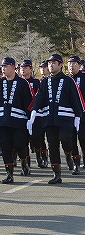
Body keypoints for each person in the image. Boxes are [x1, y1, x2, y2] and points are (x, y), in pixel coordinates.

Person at [29, 54, 83, 184]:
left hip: (65, 118)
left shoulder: (69, 80)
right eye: (49, 63)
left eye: (54, 63)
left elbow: (76, 98)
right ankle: (57, 174)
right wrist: (34, 110)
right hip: (49, 119)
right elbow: (40, 97)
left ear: (60, 65)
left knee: (66, 140)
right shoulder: (45, 81)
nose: (51, 65)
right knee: (52, 146)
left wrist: (78, 115)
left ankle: (69, 153)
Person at [0, 57, 33, 183]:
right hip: (1, 122)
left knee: (20, 145)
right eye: (2, 66)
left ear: (13, 67)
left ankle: (24, 161)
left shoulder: (23, 83)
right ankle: (9, 173)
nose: (3, 68)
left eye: (6, 66)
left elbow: (29, 102)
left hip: (18, 122)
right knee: (5, 147)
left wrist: (30, 119)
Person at [20, 59, 40, 172]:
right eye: (22, 67)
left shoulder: (36, 82)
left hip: (35, 115)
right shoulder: (17, 82)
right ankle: (26, 164)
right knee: (23, 140)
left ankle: (39, 153)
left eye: (26, 67)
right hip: (22, 115)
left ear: (31, 69)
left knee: (36, 137)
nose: (23, 69)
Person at [67, 55, 85, 175]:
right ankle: (76, 164)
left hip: (83, 114)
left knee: (83, 138)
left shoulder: (83, 78)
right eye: (69, 63)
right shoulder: (66, 79)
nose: (71, 66)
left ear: (79, 65)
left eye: (74, 63)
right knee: (71, 140)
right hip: (69, 115)